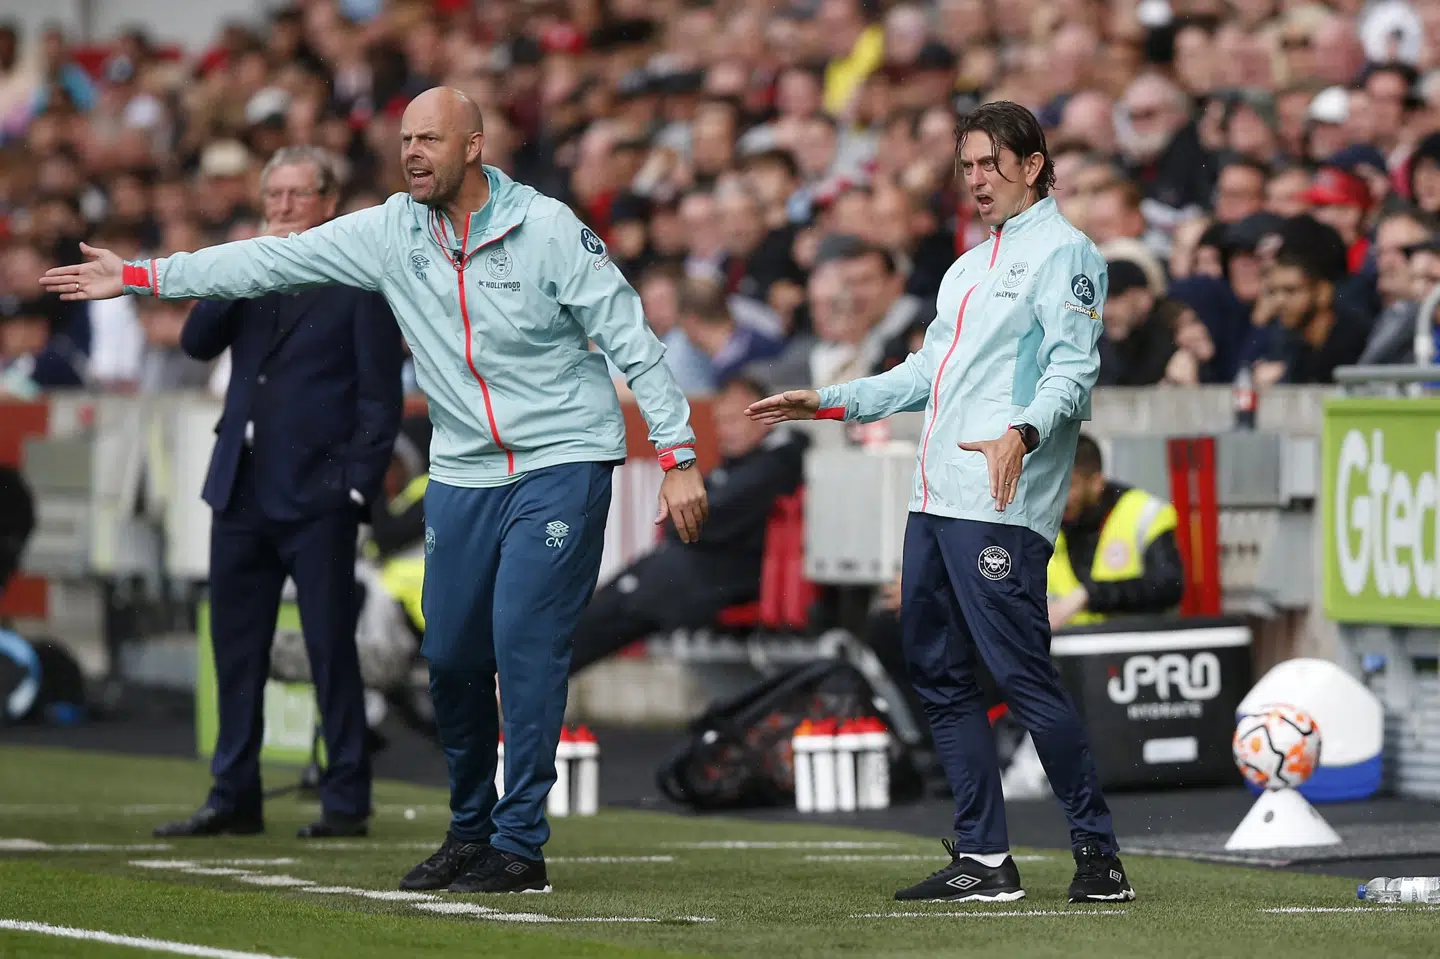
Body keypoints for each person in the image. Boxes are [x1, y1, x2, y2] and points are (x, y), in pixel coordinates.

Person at [40, 86, 708, 896]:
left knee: (524, 642)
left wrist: (676, 455)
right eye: (404, 139)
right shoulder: (391, 230)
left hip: (563, 457)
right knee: (451, 655)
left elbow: (632, 338)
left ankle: (520, 842)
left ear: (474, 146)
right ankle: (469, 831)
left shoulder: (548, 230)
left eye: (429, 138)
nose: (412, 152)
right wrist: (144, 274)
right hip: (463, 467)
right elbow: (268, 259)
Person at [746, 101, 1135, 905]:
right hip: (935, 502)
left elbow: (1074, 370)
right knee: (941, 675)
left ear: (1033, 164)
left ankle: (1099, 855)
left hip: (1001, 501)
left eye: (991, 163)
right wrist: (827, 399)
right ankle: (985, 858)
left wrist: (1021, 432)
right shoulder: (966, 266)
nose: (976, 180)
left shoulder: (1069, 255)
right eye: (966, 166)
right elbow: (924, 375)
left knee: (1023, 679)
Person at [149, 146, 402, 841]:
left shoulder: (359, 281)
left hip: (317, 494)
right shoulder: (249, 274)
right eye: (275, 195)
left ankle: (347, 797)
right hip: (241, 486)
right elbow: (198, 342)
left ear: (329, 201)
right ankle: (235, 792)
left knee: (329, 647)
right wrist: (230, 270)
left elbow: (382, 400)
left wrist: (353, 486)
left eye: (298, 195)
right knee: (236, 649)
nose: (284, 208)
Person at [568, 374, 808, 675]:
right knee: (607, 597)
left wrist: (685, 519)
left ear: (766, 418)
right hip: (691, 570)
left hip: (729, 579)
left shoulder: (775, 462)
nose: (724, 431)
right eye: (720, 422)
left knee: (619, 607)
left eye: (734, 420)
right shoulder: (742, 463)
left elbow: (701, 517)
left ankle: (526, 683)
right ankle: (524, 681)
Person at [1047, 433, 1186, 631]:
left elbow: (1168, 587)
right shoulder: (1042, 524)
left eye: (1069, 485)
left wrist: (1090, 595)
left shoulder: (1144, 513)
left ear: (1096, 483)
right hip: (1066, 656)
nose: (1057, 496)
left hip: (1132, 652)